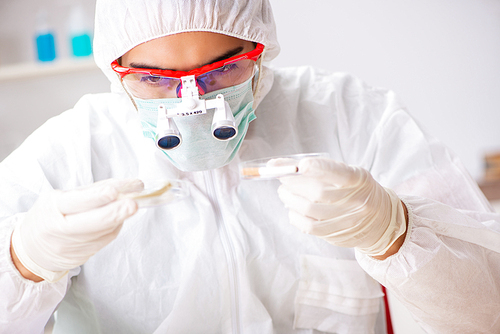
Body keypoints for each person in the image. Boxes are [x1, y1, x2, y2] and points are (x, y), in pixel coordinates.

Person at [1, 0, 499, 333]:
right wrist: (24, 261)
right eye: (153, 79)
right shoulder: (69, 151)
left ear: (260, 50)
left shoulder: (353, 115)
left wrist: (395, 232)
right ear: (115, 70)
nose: (193, 103)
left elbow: (487, 308)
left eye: (222, 71)